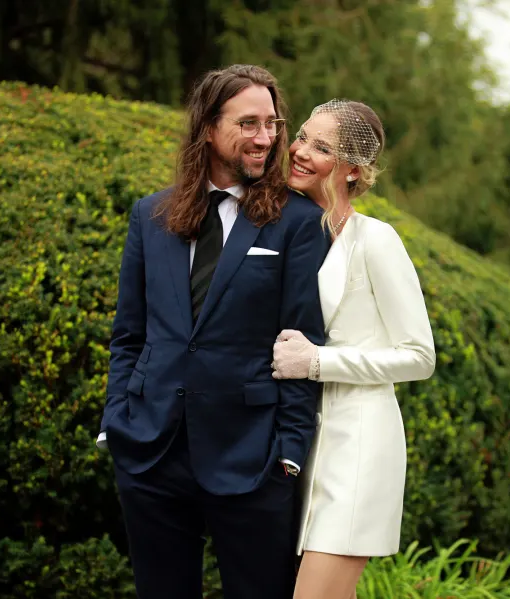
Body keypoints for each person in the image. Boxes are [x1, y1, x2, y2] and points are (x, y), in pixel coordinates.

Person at [96, 64, 329, 599]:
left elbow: (304, 339)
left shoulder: (295, 223)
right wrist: (117, 420)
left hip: (254, 461)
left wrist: (290, 454)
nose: (266, 138)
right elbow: (130, 333)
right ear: (207, 126)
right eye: (249, 124)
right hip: (151, 451)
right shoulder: (150, 215)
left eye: (273, 123)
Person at [270, 99, 436, 599]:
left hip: (360, 444)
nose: (298, 151)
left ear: (353, 171)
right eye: (301, 136)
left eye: (322, 147)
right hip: (300, 444)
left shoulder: (375, 241)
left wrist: (319, 362)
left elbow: (419, 355)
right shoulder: (285, 229)